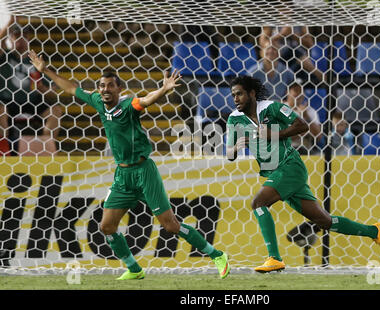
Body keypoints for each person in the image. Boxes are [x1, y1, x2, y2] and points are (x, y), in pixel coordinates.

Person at [28, 50, 230, 280]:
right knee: (106, 226)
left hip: (144, 171)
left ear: (119, 89)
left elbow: (145, 100)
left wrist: (164, 89)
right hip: (123, 175)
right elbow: (72, 88)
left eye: (110, 86)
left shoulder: (127, 105)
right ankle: (134, 268)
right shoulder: (98, 101)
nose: (104, 89)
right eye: (102, 85)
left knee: (171, 226)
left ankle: (216, 254)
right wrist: (46, 70)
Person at [225, 75, 380, 273]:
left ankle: (274, 258)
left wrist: (272, 134)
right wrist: (236, 147)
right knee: (324, 221)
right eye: (233, 95)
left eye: (239, 94)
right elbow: (229, 155)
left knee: (258, 203)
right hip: (278, 173)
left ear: (251, 93)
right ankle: (374, 231)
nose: (235, 98)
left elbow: (301, 126)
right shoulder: (234, 119)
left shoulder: (272, 108)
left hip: (289, 167)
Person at [0, 20, 61, 155]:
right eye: (17, 36)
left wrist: (45, 90)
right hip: (8, 101)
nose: (21, 39)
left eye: (25, 36)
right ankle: (4, 151)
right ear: (10, 38)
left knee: (55, 110)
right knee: (1, 110)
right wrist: (10, 20)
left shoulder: (34, 60)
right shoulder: (4, 57)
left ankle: (46, 148)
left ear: (29, 39)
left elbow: (52, 88)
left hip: (31, 102)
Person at [259, 26, 324, 84]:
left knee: (294, 52)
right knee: (290, 50)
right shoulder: (270, 23)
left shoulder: (300, 25)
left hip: (298, 63)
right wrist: (281, 34)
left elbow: (310, 44)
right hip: (278, 58)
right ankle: (320, 76)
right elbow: (263, 43)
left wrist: (293, 34)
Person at [285, 81, 322, 155]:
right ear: (287, 92)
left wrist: (306, 117)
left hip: (306, 151)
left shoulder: (310, 111)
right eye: (296, 90)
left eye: (301, 91)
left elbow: (318, 136)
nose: (299, 94)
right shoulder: (280, 109)